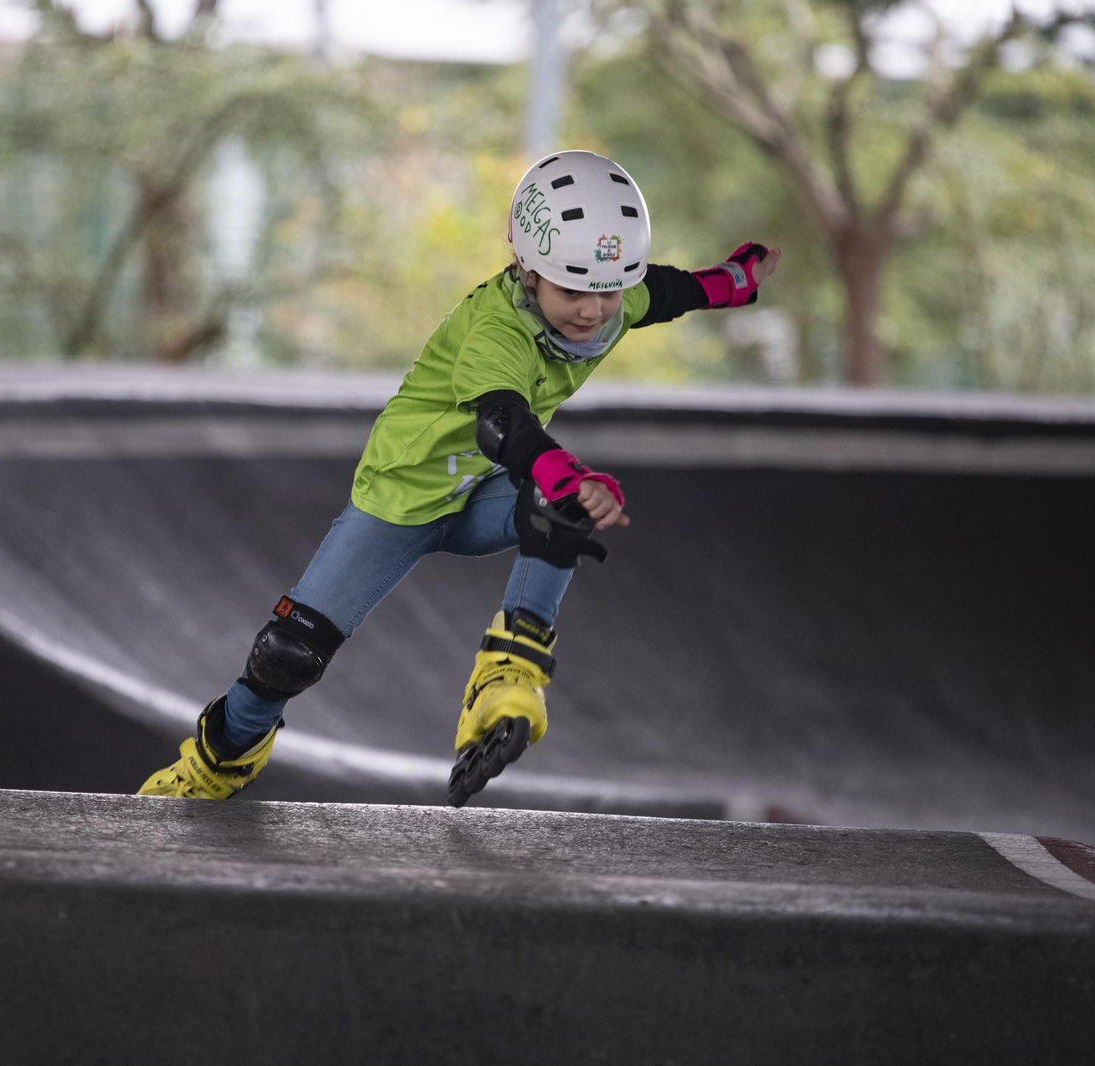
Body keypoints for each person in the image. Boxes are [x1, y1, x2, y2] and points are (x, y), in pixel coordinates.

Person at [138, 149, 781, 805]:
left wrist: (734, 279)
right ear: (529, 273)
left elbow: (668, 292)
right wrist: (562, 468)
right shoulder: (494, 331)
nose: (593, 313)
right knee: (287, 655)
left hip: (482, 498)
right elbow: (502, 423)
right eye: (573, 293)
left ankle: (509, 674)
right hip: (401, 500)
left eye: (609, 292)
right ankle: (216, 765)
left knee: (562, 507)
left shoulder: (607, 294)